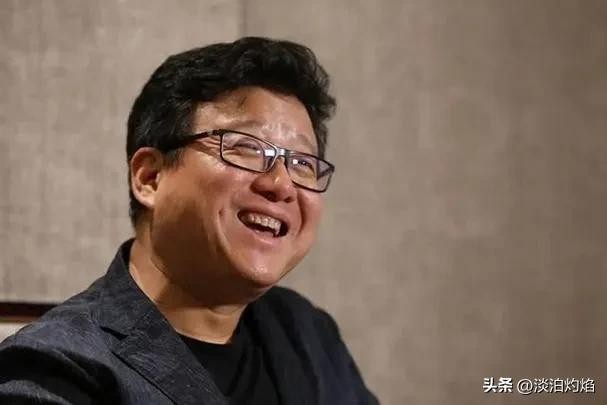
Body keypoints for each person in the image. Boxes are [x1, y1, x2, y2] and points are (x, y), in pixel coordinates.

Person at [0, 37, 379, 404]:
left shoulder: (306, 332)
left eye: (302, 163)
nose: (281, 185)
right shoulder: (53, 370)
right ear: (150, 178)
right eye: (246, 148)